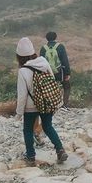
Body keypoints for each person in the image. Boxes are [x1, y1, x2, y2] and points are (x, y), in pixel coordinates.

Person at [15, 37, 68, 166]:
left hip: (30, 107)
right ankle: (60, 150)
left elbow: (22, 95)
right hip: (46, 102)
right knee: (48, 126)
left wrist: (19, 113)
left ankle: (31, 156)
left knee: (27, 130)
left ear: (19, 57)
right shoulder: (43, 62)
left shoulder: (22, 71)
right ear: (33, 52)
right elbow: (52, 80)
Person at [40, 31, 71, 110]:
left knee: (48, 88)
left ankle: (50, 105)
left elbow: (41, 62)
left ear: (46, 38)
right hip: (60, 72)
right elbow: (65, 60)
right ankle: (65, 104)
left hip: (47, 73)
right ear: (55, 37)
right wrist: (67, 73)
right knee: (66, 86)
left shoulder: (43, 48)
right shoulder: (60, 46)